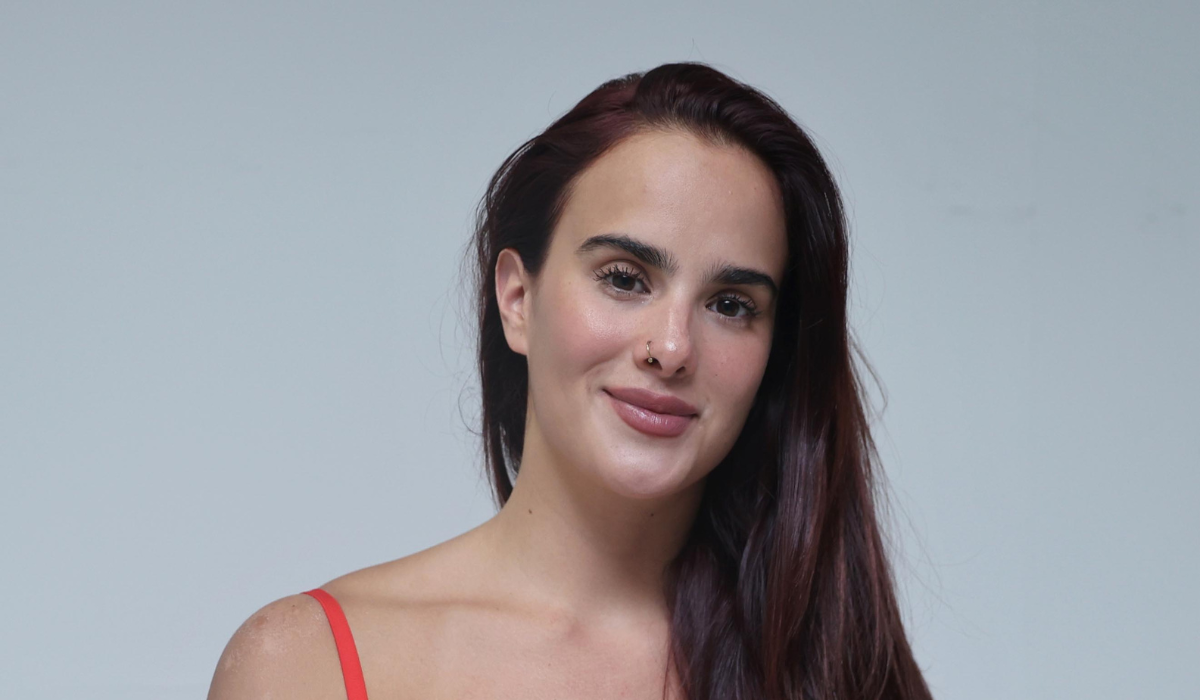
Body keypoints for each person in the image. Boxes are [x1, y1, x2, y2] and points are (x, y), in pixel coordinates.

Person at [207, 62, 934, 700]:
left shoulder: (836, 668)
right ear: (517, 300)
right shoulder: (306, 666)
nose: (672, 347)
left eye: (731, 305)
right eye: (624, 278)